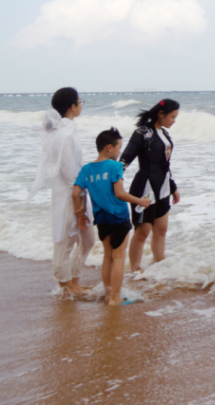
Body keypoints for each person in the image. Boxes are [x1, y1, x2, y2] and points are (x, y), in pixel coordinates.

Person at [72, 128, 152, 305]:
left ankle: (108, 295)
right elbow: (119, 193)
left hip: (101, 219)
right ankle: (115, 298)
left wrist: (80, 213)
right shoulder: (115, 166)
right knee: (119, 257)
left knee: (108, 255)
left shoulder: (87, 169)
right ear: (109, 147)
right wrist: (140, 201)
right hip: (119, 217)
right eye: (119, 148)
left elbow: (75, 193)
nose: (120, 152)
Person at [29, 87, 95, 297]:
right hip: (70, 196)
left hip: (74, 193)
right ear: (72, 107)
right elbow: (71, 174)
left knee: (87, 240)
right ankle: (66, 285)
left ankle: (73, 280)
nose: (81, 104)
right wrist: (79, 205)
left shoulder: (64, 132)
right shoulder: (65, 135)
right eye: (79, 101)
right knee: (67, 242)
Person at [120, 99, 181, 272]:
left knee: (161, 230)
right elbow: (125, 159)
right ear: (161, 114)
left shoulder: (165, 134)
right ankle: (135, 271)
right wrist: (113, 182)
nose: (174, 121)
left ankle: (159, 266)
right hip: (145, 189)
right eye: (172, 116)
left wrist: (173, 187)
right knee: (142, 233)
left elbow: (165, 165)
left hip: (163, 189)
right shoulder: (142, 133)